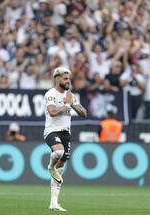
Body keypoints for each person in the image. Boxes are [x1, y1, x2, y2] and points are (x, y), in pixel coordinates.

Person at [44, 66, 87, 211]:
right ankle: (50, 167)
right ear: (57, 78)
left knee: (60, 169)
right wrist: (67, 104)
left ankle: (54, 203)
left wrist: (73, 104)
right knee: (58, 153)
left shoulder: (70, 95)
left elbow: (84, 113)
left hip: (66, 133)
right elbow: (52, 112)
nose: (68, 81)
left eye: (69, 78)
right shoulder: (51, 94)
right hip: (52, 131)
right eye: (65, 78)